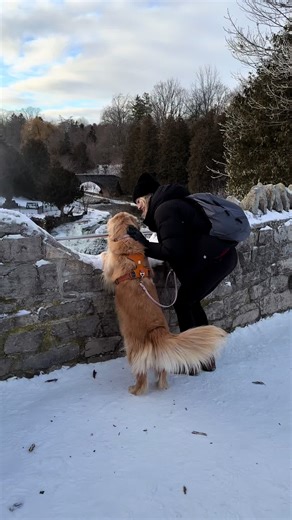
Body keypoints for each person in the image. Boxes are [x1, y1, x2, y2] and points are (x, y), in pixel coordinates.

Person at [127, 172, 238, 372]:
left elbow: (172, 251)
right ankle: (205, 358)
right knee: (191, 301)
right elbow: (182, 243)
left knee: (184, 303)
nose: (138, 207)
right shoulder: (173, 204)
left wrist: (143, 243)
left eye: (138, 201)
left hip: (213, 262)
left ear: (146, 197)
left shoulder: (164, 210)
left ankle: (192, 360)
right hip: (219, 258)